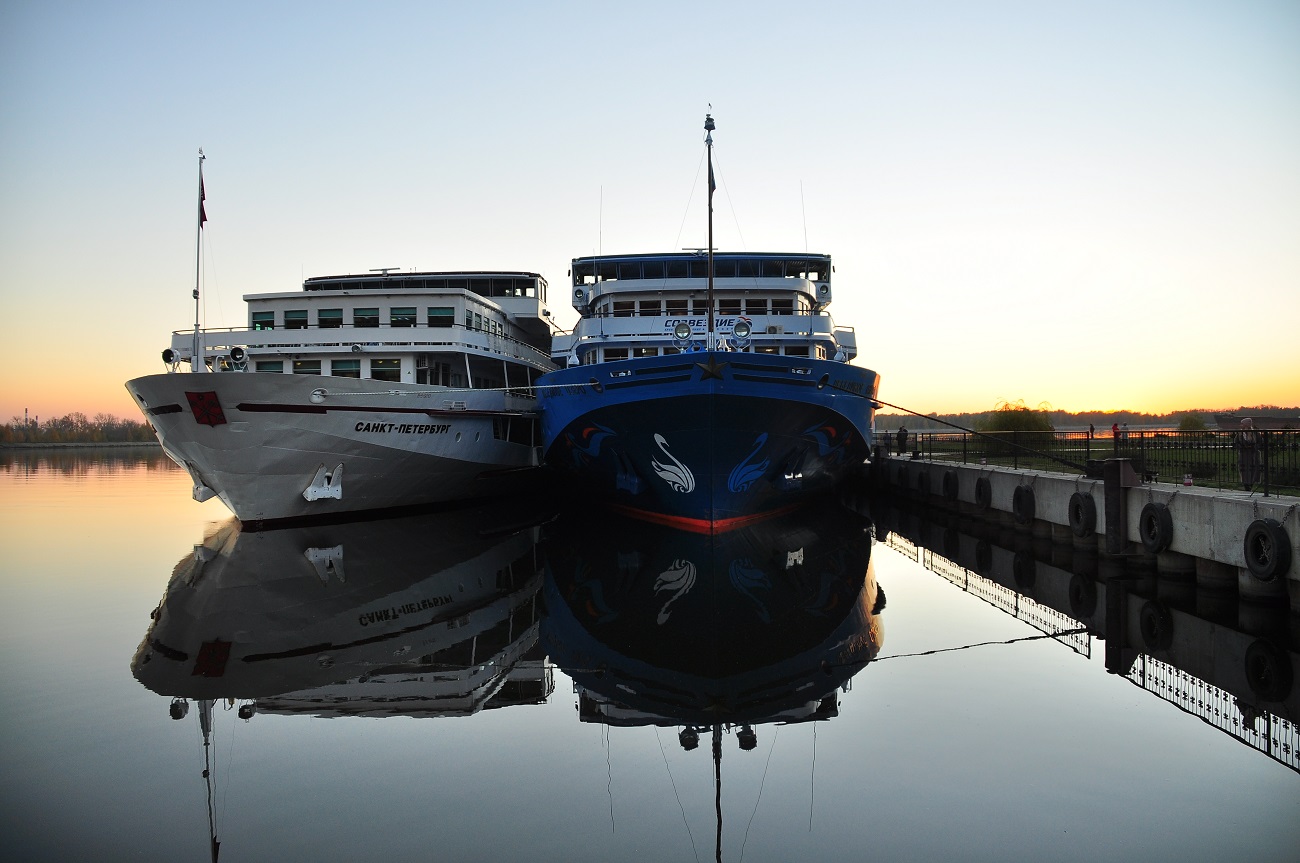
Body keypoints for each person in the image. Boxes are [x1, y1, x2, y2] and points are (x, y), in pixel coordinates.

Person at [1237, 417, 1261, 492]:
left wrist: (1254, 447)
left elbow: (1260, 442)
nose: (1241, 425)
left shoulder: (1255, 433)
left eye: (1242, 424)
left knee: (1253, 469)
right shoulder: (1240, 434)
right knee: (1244, 469)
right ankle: (1246, 485)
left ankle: (1251, 484)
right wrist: (1242, 446)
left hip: (1253, 454)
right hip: (1244, 454)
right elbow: (1236, 443)